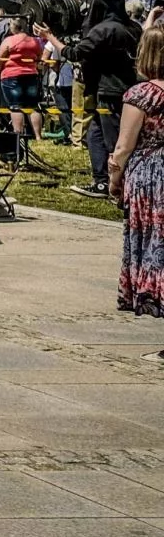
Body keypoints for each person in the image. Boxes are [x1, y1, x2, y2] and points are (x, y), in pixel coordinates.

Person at [109, 26, 164, 324]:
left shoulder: (140, 95)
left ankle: (153, 293)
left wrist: (113, 180)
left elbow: (123, 146)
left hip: (150, 172)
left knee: (152, 237)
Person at [73, 0, 141, 196]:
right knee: (95, 132)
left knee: (113, 140)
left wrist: (50, 38)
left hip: (108, 90)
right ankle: (101, 179)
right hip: (126, 88)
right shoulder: (133, 28)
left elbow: (77, 52)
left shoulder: (103, 30)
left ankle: (116, 184)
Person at [0, 18, 45, 141]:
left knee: (15, 106)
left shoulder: (9, 40)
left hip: (11, 76)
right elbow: (39, 57)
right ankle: (38, 136)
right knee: (33, 106)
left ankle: (18, 135)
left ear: (13, 28)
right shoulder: (35, 41)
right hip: (31, 75)